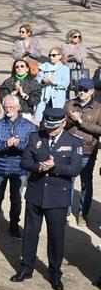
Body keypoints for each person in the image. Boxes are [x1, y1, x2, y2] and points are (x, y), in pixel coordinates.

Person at [10, 108, 83, 290]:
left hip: (58, 198)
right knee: (30, 234)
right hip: (36, 193)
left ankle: (55, 274)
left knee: (56, 237)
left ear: (64, 123)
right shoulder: (35, 137)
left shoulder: (74, 142)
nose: (49, 130)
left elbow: (75, 169)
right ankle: (26, 268)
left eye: (54, 127)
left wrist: (55, 166)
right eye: (47, 126)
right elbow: (24, 161)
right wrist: (38, 168)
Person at [0, 95, 37, 237]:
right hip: (0, 169)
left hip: (19, 169)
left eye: (11, 107)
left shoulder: (28, 126)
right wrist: (6, 144)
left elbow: (32, 146)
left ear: (18, 108)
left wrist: (18, 145)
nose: (8, 110)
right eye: (6, 107)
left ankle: (14, 226)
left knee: (16, 200)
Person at [65, 78, 101, 225]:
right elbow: (61, 124)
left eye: (85, 90)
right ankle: (65, 211)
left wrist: (81, 122)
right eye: (79, 89)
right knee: (68, 181)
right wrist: (71, 120)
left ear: (92, 92)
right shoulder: (70, 104)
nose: (81, 92)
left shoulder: (99, 108)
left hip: (88, 150)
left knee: (86, 183)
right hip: (69, 149)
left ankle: (83, 213)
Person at [35, 47, 70, 122]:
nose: (51, 57)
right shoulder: (44, 66)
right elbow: (37, 82)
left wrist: (55, 82)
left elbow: (66, 83)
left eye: (53, 55)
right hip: (44, 99)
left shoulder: (64, 68)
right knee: (42, 120)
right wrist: (43, 81)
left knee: (55, 120)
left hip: (57, 99)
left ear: (60, 56)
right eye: (50, 55)